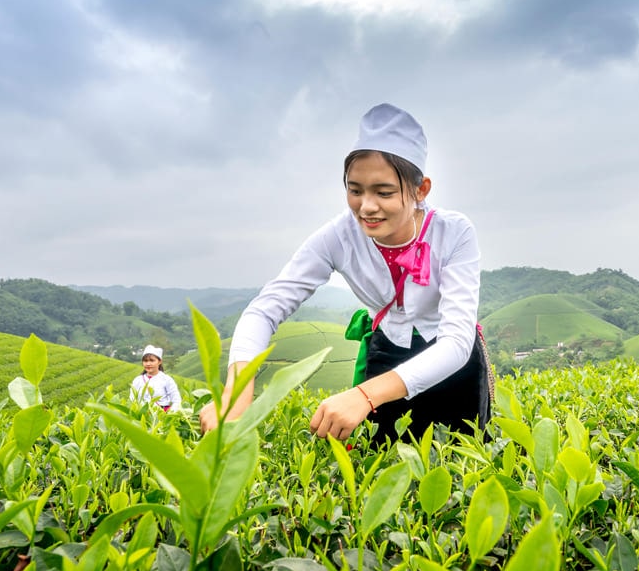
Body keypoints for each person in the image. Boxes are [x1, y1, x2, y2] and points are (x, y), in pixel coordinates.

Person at [199, 103, 491, 444]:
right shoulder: (337, 237)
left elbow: (455, 342)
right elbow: (265, 310)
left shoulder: (453, 232)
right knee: (382, 464)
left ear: (421, 189)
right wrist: (237, 390)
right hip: (388, 354)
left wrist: (364, 396)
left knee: (462, 467)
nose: (366, 207)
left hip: (453, 367)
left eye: (384, 192)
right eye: (355, 190)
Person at [130, 345, 182, 411]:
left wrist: (170, 414)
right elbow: (132, 399)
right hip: (142, 414)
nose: (148, 364)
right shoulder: (137, 380)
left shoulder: (166, 379)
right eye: (145, 361)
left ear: (159, 362)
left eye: (152, 361)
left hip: (162, 414)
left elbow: (176, 400)